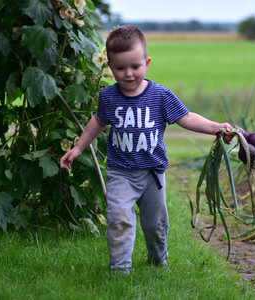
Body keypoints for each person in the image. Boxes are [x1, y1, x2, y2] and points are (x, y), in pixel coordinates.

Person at [60, 25, 232, 275]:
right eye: (120, 68)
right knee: (120, 220)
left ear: (147, 63)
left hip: (153, 174)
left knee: (155, 225)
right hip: (120, 173)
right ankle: (120, 271)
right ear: (110, 67)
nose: (128, 74)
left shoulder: (160, 96)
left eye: (135, 67)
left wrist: (216, 127)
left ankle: (158, 260)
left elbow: (185, 117)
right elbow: (98, 121)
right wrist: (77, 148)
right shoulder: (108, 97)